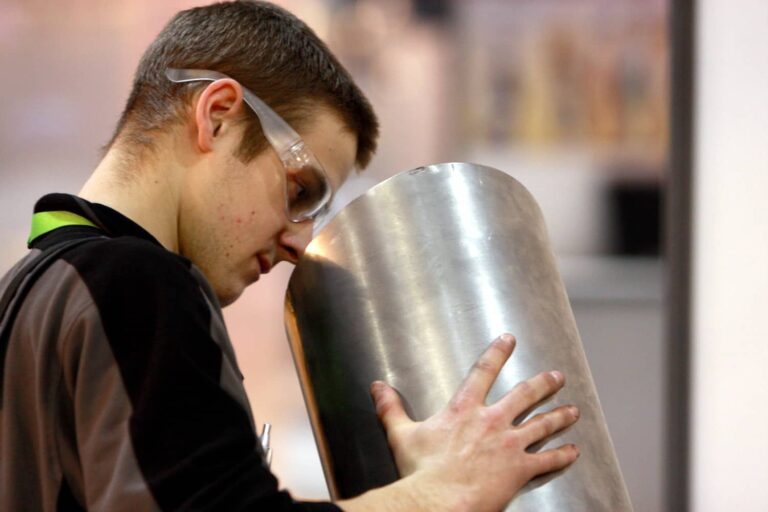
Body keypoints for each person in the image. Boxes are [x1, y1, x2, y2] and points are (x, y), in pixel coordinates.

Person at [0, 2, 580, 511]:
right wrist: (442, 492)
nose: (298, 244)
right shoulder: (136, 284)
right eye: (300, 191)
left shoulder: (32, 289)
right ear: (218, 116)